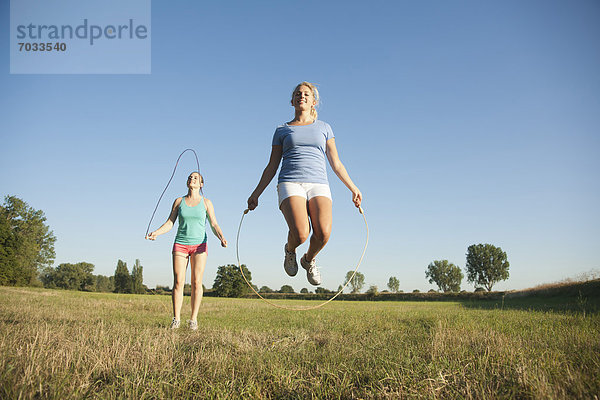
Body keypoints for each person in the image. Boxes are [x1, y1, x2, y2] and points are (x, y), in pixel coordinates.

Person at [247, 82, 362, 286]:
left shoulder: (325, 128)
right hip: (290, 182)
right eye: (298, 94)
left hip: (319, 183)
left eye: (306, 94)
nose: (302, 96)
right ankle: (290, 250)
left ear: (314, 102)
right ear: (292, 101)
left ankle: (308, 260)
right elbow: (271, 166)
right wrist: (256, 193)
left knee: (324, 232)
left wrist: (353, 188)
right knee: (301, 233)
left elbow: (336, 163)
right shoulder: (282, 130)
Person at [146, 172, 227, 330]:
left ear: (201, 184)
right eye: (190, 177)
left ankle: (193, 320)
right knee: (178, 281)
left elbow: (214, 224)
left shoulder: (206, 202)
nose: (192, 179)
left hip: (199, 246)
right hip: (181, 244)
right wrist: (156, 233)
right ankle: (176, 319)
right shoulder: (179, 201)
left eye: (196, 178)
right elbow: (170, 222)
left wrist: (221, 237)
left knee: (196, 282)